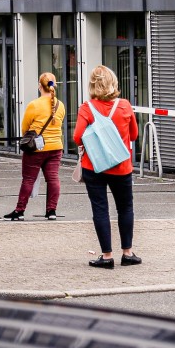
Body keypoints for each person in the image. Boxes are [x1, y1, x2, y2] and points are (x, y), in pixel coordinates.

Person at [74, 65, 140, 268]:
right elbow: (135, 135)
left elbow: (77, 138)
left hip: (94, 167)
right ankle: (127, 253)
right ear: (113, 82)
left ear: (92, 85)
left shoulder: (87, 108)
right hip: (121, 166)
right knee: (125, 208)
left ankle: (107, 256)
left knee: (100, 209)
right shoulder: (125, 105)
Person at [4, 73, 65, 221]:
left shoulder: (34, 104)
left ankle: (19, 211)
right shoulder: (60, 104)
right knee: (53, 179)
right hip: (56, 147)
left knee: (29, 179)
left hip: (36, 148)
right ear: (54, 85)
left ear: (40, 85)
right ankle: (51, 211)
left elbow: (25, 128)